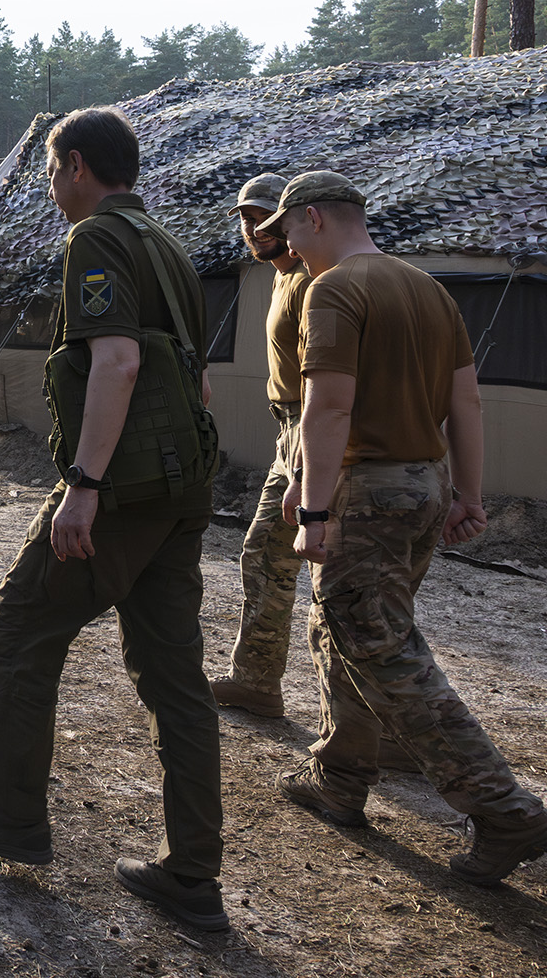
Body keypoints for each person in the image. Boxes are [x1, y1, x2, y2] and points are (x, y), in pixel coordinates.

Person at [0, 107, 228, 933]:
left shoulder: (96, 239)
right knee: (177, 683)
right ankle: (194, 875)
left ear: (79, 167)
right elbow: (197, 382)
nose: (53, 186)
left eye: (55, 170)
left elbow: (120, 361)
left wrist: (84, 485)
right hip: (180, 493)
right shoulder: (167, 245)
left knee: (14, 633)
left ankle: (16, 818)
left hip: (124, 493)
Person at [264, 171, 547, 887]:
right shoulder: (430, 290)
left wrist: (312, 503)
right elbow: (468, 401)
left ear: (315, 218)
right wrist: (467, 491)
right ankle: (339, 776)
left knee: (383, 645)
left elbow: (329, 407)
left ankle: (503, 809)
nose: (286, 247)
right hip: (422, 482)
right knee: (343, 629)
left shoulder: (333, 289)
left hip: (365, 490)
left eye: (291, 232)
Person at [208, 174, 303, 715]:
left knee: (348, 591)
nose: (253, 227)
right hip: (289, 432)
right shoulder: (281, 277)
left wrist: (307, 466)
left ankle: (390, 722)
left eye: (264, 216)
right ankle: (256, 680)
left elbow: (327, 382)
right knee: (265, 555)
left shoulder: (317, 280)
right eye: (245, 218)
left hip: (315, 433)